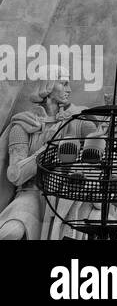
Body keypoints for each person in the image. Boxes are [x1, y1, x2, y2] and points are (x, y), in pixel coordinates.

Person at [0, 74, 76, 240]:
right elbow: (16, 175)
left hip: (65, 198)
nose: (69, 89)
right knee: (10, 233)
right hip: (32, 193)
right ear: (47, 86)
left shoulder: (75, 121)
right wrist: (46, 150)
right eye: (63, 83)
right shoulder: (23, 124)